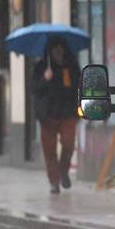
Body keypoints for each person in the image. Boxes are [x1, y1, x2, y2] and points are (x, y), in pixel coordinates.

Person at [32, 38, 80, 194]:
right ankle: (54, 181)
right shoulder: (41, 67)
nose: (58, 52)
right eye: (55, 49)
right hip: (47, 115)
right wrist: (45, 79)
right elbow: (34, 89)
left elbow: (78, 87)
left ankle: (63, 171)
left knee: (68, 143)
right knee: (49, 150)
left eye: (61, 48)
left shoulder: (71, 67)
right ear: (50, 51)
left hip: (68, 113)